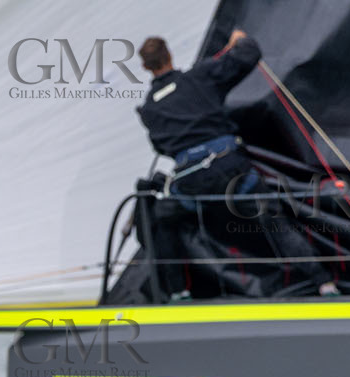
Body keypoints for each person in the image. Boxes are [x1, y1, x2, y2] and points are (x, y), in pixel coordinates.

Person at [136, 31, 338, 300]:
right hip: (230, 171)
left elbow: (161, 147)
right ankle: (324, 284)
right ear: (169, 55)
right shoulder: (199, 76)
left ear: (145, 66)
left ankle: (178, 293)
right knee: (272, 218)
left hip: (192, 183)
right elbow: (249, 54)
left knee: (163, 219)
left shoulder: (148, 109)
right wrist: (240, 40)